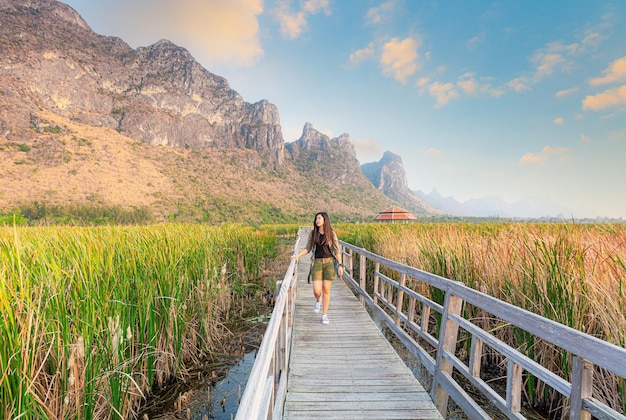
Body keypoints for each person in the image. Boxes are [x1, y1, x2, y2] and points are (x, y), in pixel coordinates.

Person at [292, 212, 343, 325]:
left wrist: (340, 265)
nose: (317, 220)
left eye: (319, 218)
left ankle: (324, 315)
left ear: (325, 219)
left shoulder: (331, 234)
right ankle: (318, 300)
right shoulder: (313, 233)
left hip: (329, 263)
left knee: (326, 289)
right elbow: (308, 248)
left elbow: (336, 250)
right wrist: (298, 256)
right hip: (317, 263)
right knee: (317, 291)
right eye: (316, 219)